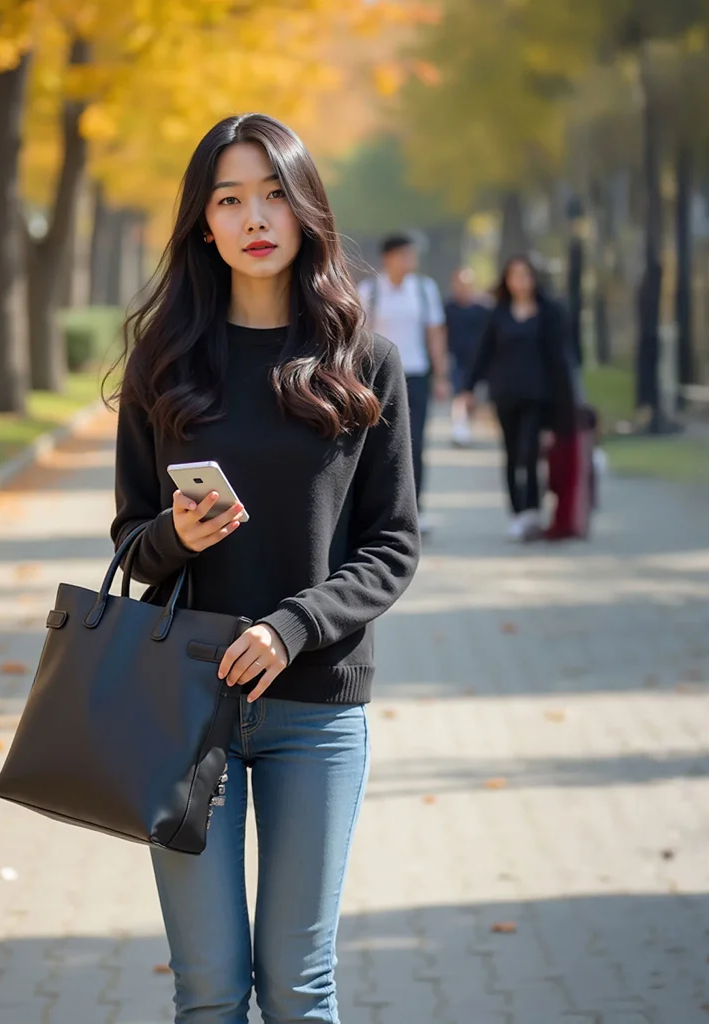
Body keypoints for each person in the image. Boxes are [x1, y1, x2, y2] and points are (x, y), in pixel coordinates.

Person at [109, 113, 420, 1023]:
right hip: (183, 707)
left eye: (274, 194)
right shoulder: (163, 364)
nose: (255, 216)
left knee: (298, 986)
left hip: (315, 709)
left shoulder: (365, 363)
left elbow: (392, 542)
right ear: (203, 222)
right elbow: (130, 536)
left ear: (306, 209)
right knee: (208, 991)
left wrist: (292, 627)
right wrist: (178, 537)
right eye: (230, 198)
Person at [462, 255, 575, 541]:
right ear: (507, 280)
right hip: (505, 394)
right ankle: (517, 513)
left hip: (538, 396)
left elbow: (560, 360)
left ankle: (533, 511)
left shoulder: (549, 312)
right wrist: (469, 388)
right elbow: (483, 353)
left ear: (534, 278)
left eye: (525, 275)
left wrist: (565, 402)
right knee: (512, 455)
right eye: (514, 276)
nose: (520, 281)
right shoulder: (498, 313)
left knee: (530, 452)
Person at [357, 234, 448, 535]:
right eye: (404, 255)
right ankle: (381, 511)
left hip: (417, 373)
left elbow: (435, 333)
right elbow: (360, 338)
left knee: (416, 443)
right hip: (380, 378)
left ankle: (414, 510)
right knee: (381, 444)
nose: (410, 261)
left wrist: (442, 374)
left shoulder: (424, 290)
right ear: (389, 257)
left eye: (412, 256)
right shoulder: (370, 291)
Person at [444, 267, 491, 447]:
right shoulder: (448, 308)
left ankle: (466, 427)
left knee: (471, 396)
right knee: (459, 395)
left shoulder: (483, 309)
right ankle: (460, 430)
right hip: (455, 357)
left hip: (477, 360)